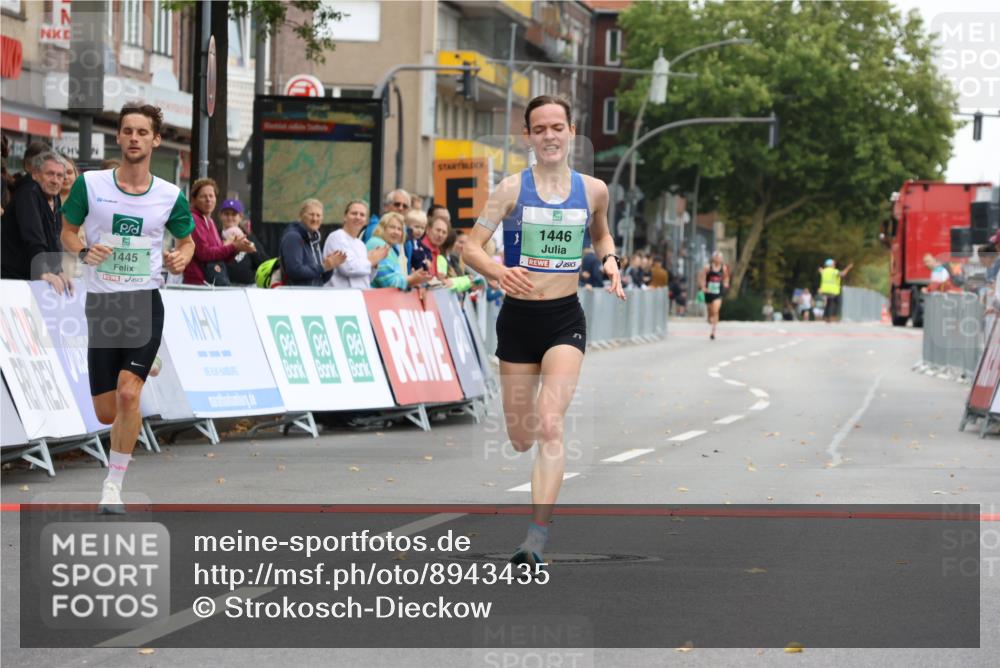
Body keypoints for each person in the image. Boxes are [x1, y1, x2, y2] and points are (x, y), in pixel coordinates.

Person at [463, 95, 625, 569]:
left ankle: (535, 537)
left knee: (550, 421)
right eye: (540, 129)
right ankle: (532, 479)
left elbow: (600, 234)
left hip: (563, 320)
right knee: (520, 437)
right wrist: (495, 270)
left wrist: (611, 261)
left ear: (571, 133)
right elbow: (469, 248)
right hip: (517, 321)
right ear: (529, 137)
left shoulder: (593, 189)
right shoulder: (510, 190)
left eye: (558, 126)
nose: (550, 135)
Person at [59, 102, 196, 514]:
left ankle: (113, 486)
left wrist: (182, 257)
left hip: (143, 302)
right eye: (127, 131)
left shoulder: (170, 195)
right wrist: (84, 250)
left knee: (127, 394)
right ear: (118, 137)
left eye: (142, 132)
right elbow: (67, 232)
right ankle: (144, 367)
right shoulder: (91, 184)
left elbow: (187, 241)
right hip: (103, 304)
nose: (134, 138)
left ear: (156, 139)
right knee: (105, 412)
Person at [1, 150, 71, 294]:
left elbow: (54, 238)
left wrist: (58, 271)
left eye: (59, 176)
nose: (55, 180)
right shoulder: (29, 193)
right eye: (50, 174)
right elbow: (33, 236)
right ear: (35, 174)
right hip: (12, 279)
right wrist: (43, 271)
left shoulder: (54, 197)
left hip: (29, 278)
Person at [182, 178, 255, 286]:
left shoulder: (210, 221)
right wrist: (234, 247)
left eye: (211, 196)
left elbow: (218, 256)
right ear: (193, 200)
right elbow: (204, 253)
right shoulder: (193, 219)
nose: (208, 199)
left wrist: (238, 248)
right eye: (203, 196)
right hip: (197, 283)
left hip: (211, 283)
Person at [279, 199, 346, 287]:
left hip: (313, 295)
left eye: (318, 215)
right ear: (301, 216)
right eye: (311, 214)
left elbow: (320, 279)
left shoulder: (314, 239)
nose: (315, 219)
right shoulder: (293, 237)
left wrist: (330, 266)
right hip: (296, 296)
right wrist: (324, 266)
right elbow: (294, 271)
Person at [325, 200, 388, 288]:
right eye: (354, 213)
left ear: (366, 221)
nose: (358, 217)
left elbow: (367, 278)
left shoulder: (361, 245)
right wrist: (371, 260)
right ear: (345, 217)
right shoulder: (336, 236)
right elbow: (348, 268)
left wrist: (374, 264)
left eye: (362, 215)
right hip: (339, 297)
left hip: (359, 297)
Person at [366, 211, 430, 289]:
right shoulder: (377, 244)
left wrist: (414, 279)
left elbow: (396, 278)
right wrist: (412, 279)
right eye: (392, 227)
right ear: (382, 228)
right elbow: (388, 282)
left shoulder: (390, 248)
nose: (396, 232)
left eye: (399, 229)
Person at [218, 198, 269, 285]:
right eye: (226, 214)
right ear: (220, 216)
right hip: (222, 286)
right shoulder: (215, 236)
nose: (230, 217)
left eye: (234, 214)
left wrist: (251, 247)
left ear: (240, 217)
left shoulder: (248, 237)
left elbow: (263, 262)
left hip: (247, 288)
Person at [698, 250, 730, 339]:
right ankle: (709, 317)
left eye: (720, 258)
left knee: (716, 310)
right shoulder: (708, 267)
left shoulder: (723, 268)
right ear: (713, 258)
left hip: (718, 292)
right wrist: (703, 287)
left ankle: (713, 331)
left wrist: (726, 284)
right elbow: (702, 277)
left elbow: (726, 277)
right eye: (717, 257)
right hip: (708, 292)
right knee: (710, 311)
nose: (719, 259)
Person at [818, 258, 853, 323]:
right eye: (834, 264)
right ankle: (830, 317)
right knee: (832, 303)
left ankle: (825, 316)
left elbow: (820, 270)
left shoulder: (824, 271)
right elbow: (843, 274)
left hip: (824, 289)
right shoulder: (834, 271)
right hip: (833, 290)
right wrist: (848, 268)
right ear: (831, 265)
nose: (834, 265)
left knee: (828, 303)